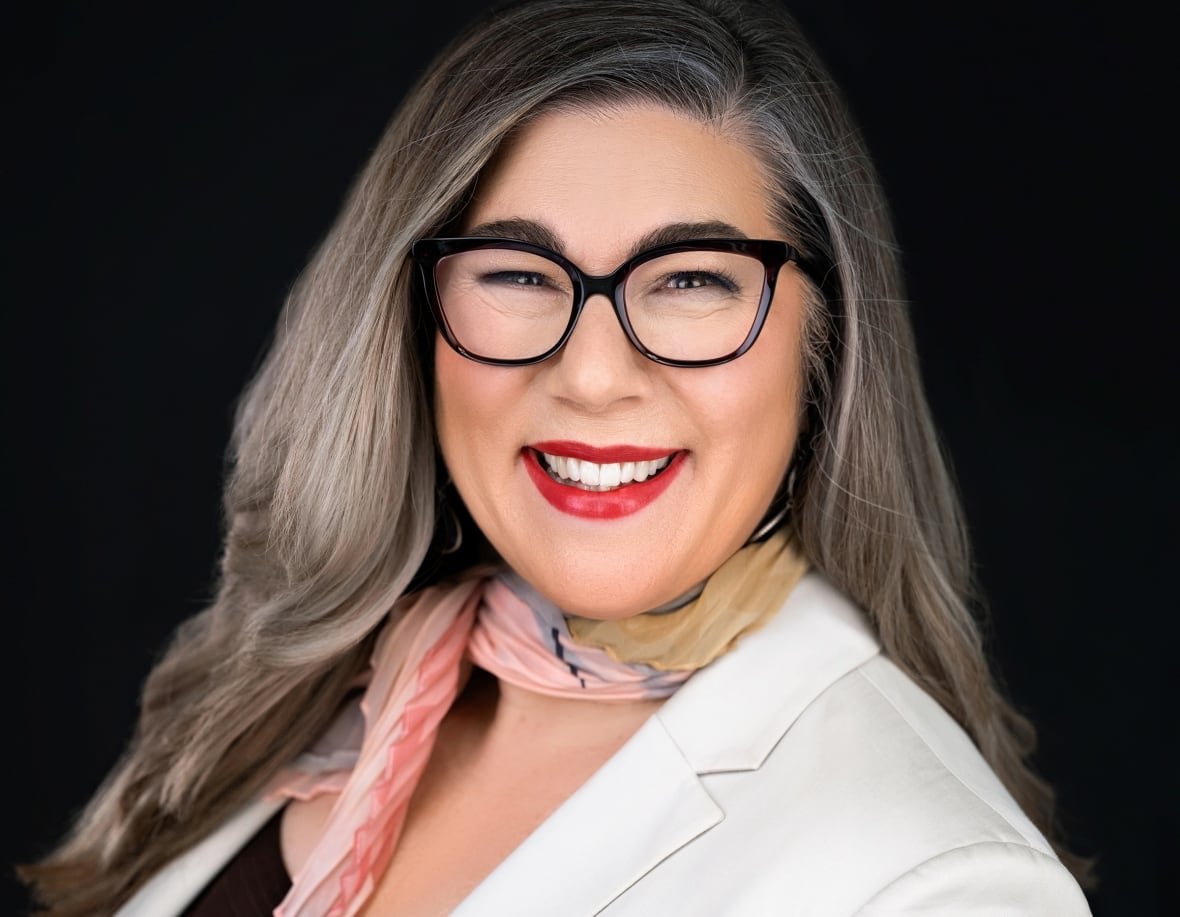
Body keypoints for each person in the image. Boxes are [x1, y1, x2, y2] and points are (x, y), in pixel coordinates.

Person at [22, 0, 1096, 913]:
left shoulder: (934, 882)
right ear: (413, 320)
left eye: (690, 280)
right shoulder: (324, 693)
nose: (591, 373)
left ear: (824, 347)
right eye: (516, 274)